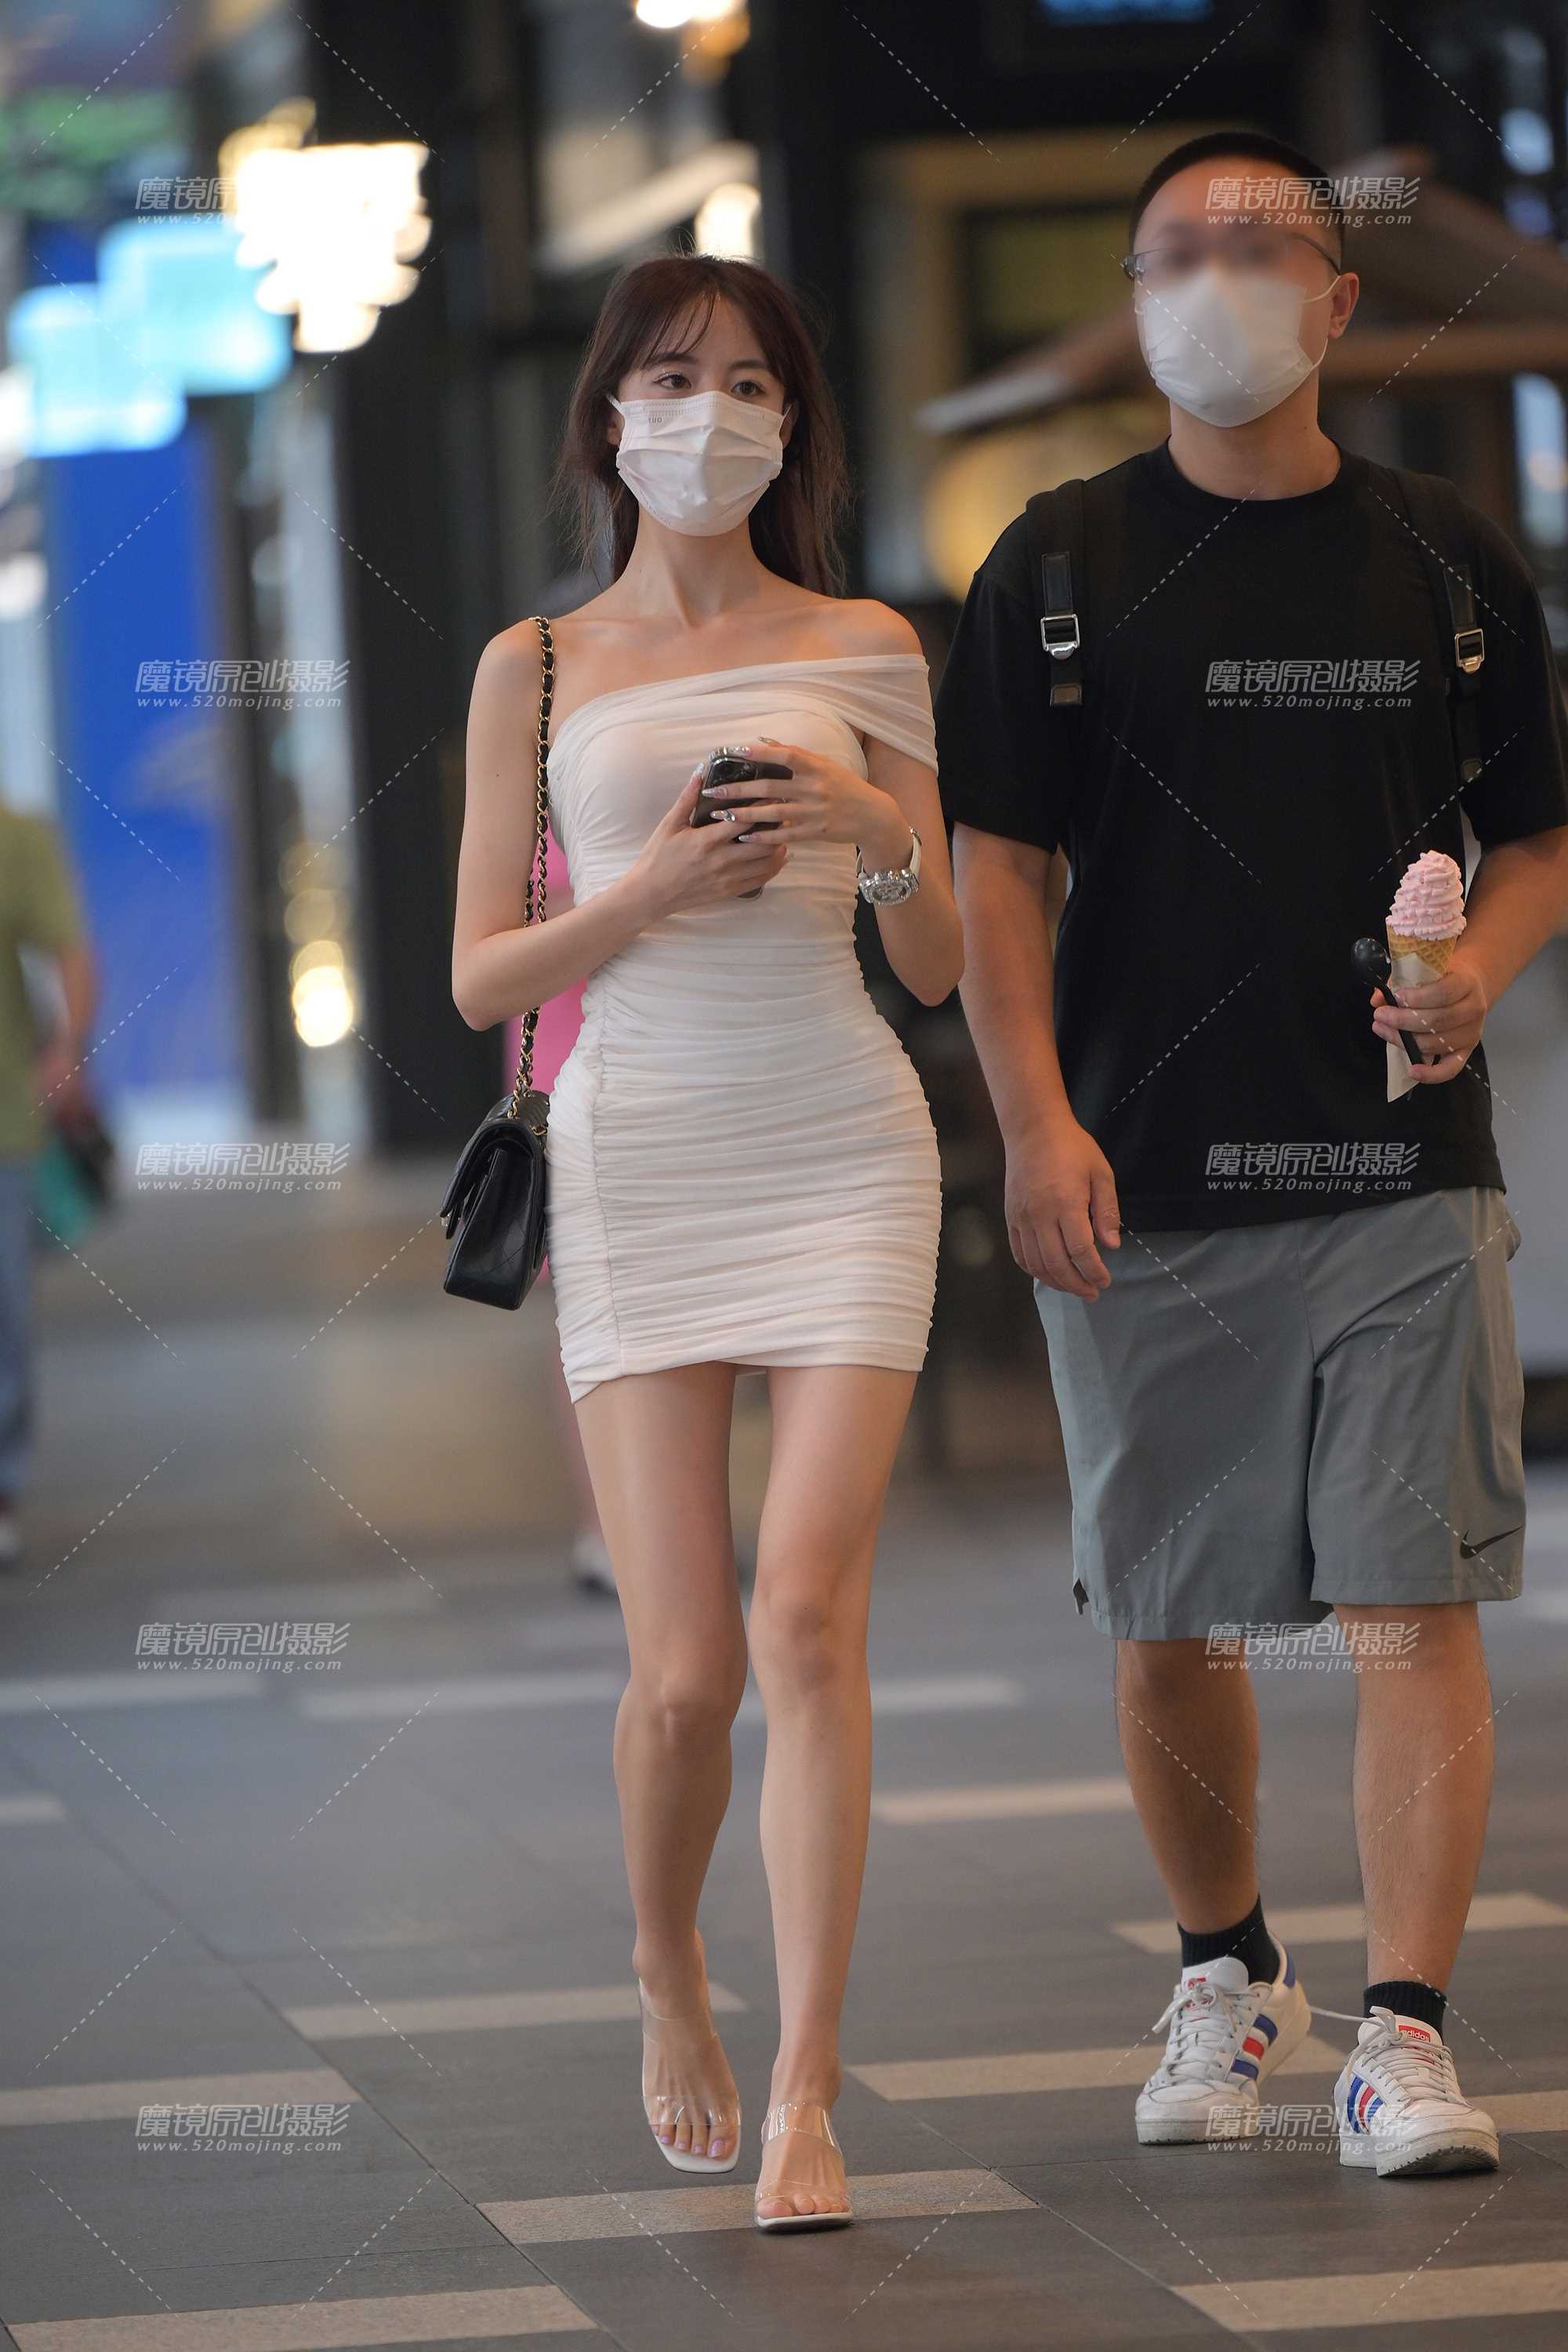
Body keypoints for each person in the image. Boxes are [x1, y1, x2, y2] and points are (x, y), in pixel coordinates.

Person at [937, 129, 1568, 2180]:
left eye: (1261, 247)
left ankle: (1404, 2040)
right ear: (1136, 303)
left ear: (1338, 299)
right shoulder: (1052, 564)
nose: (1217, 281)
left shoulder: (1447, 560)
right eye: (1175, 254)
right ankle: (1227, 1972)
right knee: (1174, 1619)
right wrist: (1034, 1120)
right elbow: (996, 871)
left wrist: (1478, 966)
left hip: (1401, 1167)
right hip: (1144, 1168)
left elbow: (1538, 834)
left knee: (1409, 1604)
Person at [452, 254, 961, 2228]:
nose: (710, 414)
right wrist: (651, 883)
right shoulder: (534, 664)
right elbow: (483, 970)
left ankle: (810, 2089)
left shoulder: (864, 642)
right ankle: (666, 1960)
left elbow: (934, 957)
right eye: (671, 379)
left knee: (804, 1619)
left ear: (791, 422)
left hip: (842, 1138)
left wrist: (864, 820)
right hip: (640, 1150)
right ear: (608, 416)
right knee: (682, 1674)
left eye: (750, 382)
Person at [0, 801, 94, 1566]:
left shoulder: (16, 838)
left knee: (5, 1319)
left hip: (4, 1127)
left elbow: (71, 951)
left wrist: (67, 1049)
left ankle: (1, 1487)